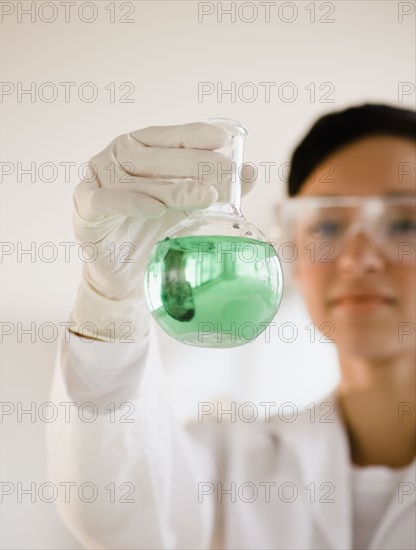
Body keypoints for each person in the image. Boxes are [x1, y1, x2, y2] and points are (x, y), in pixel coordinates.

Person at [47, 104, 416, 550]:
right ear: (295, 254)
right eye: (330, 225)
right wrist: (109, 305)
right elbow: (115, 514)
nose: (359, 259)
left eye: (403, 223)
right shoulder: (230, 461)